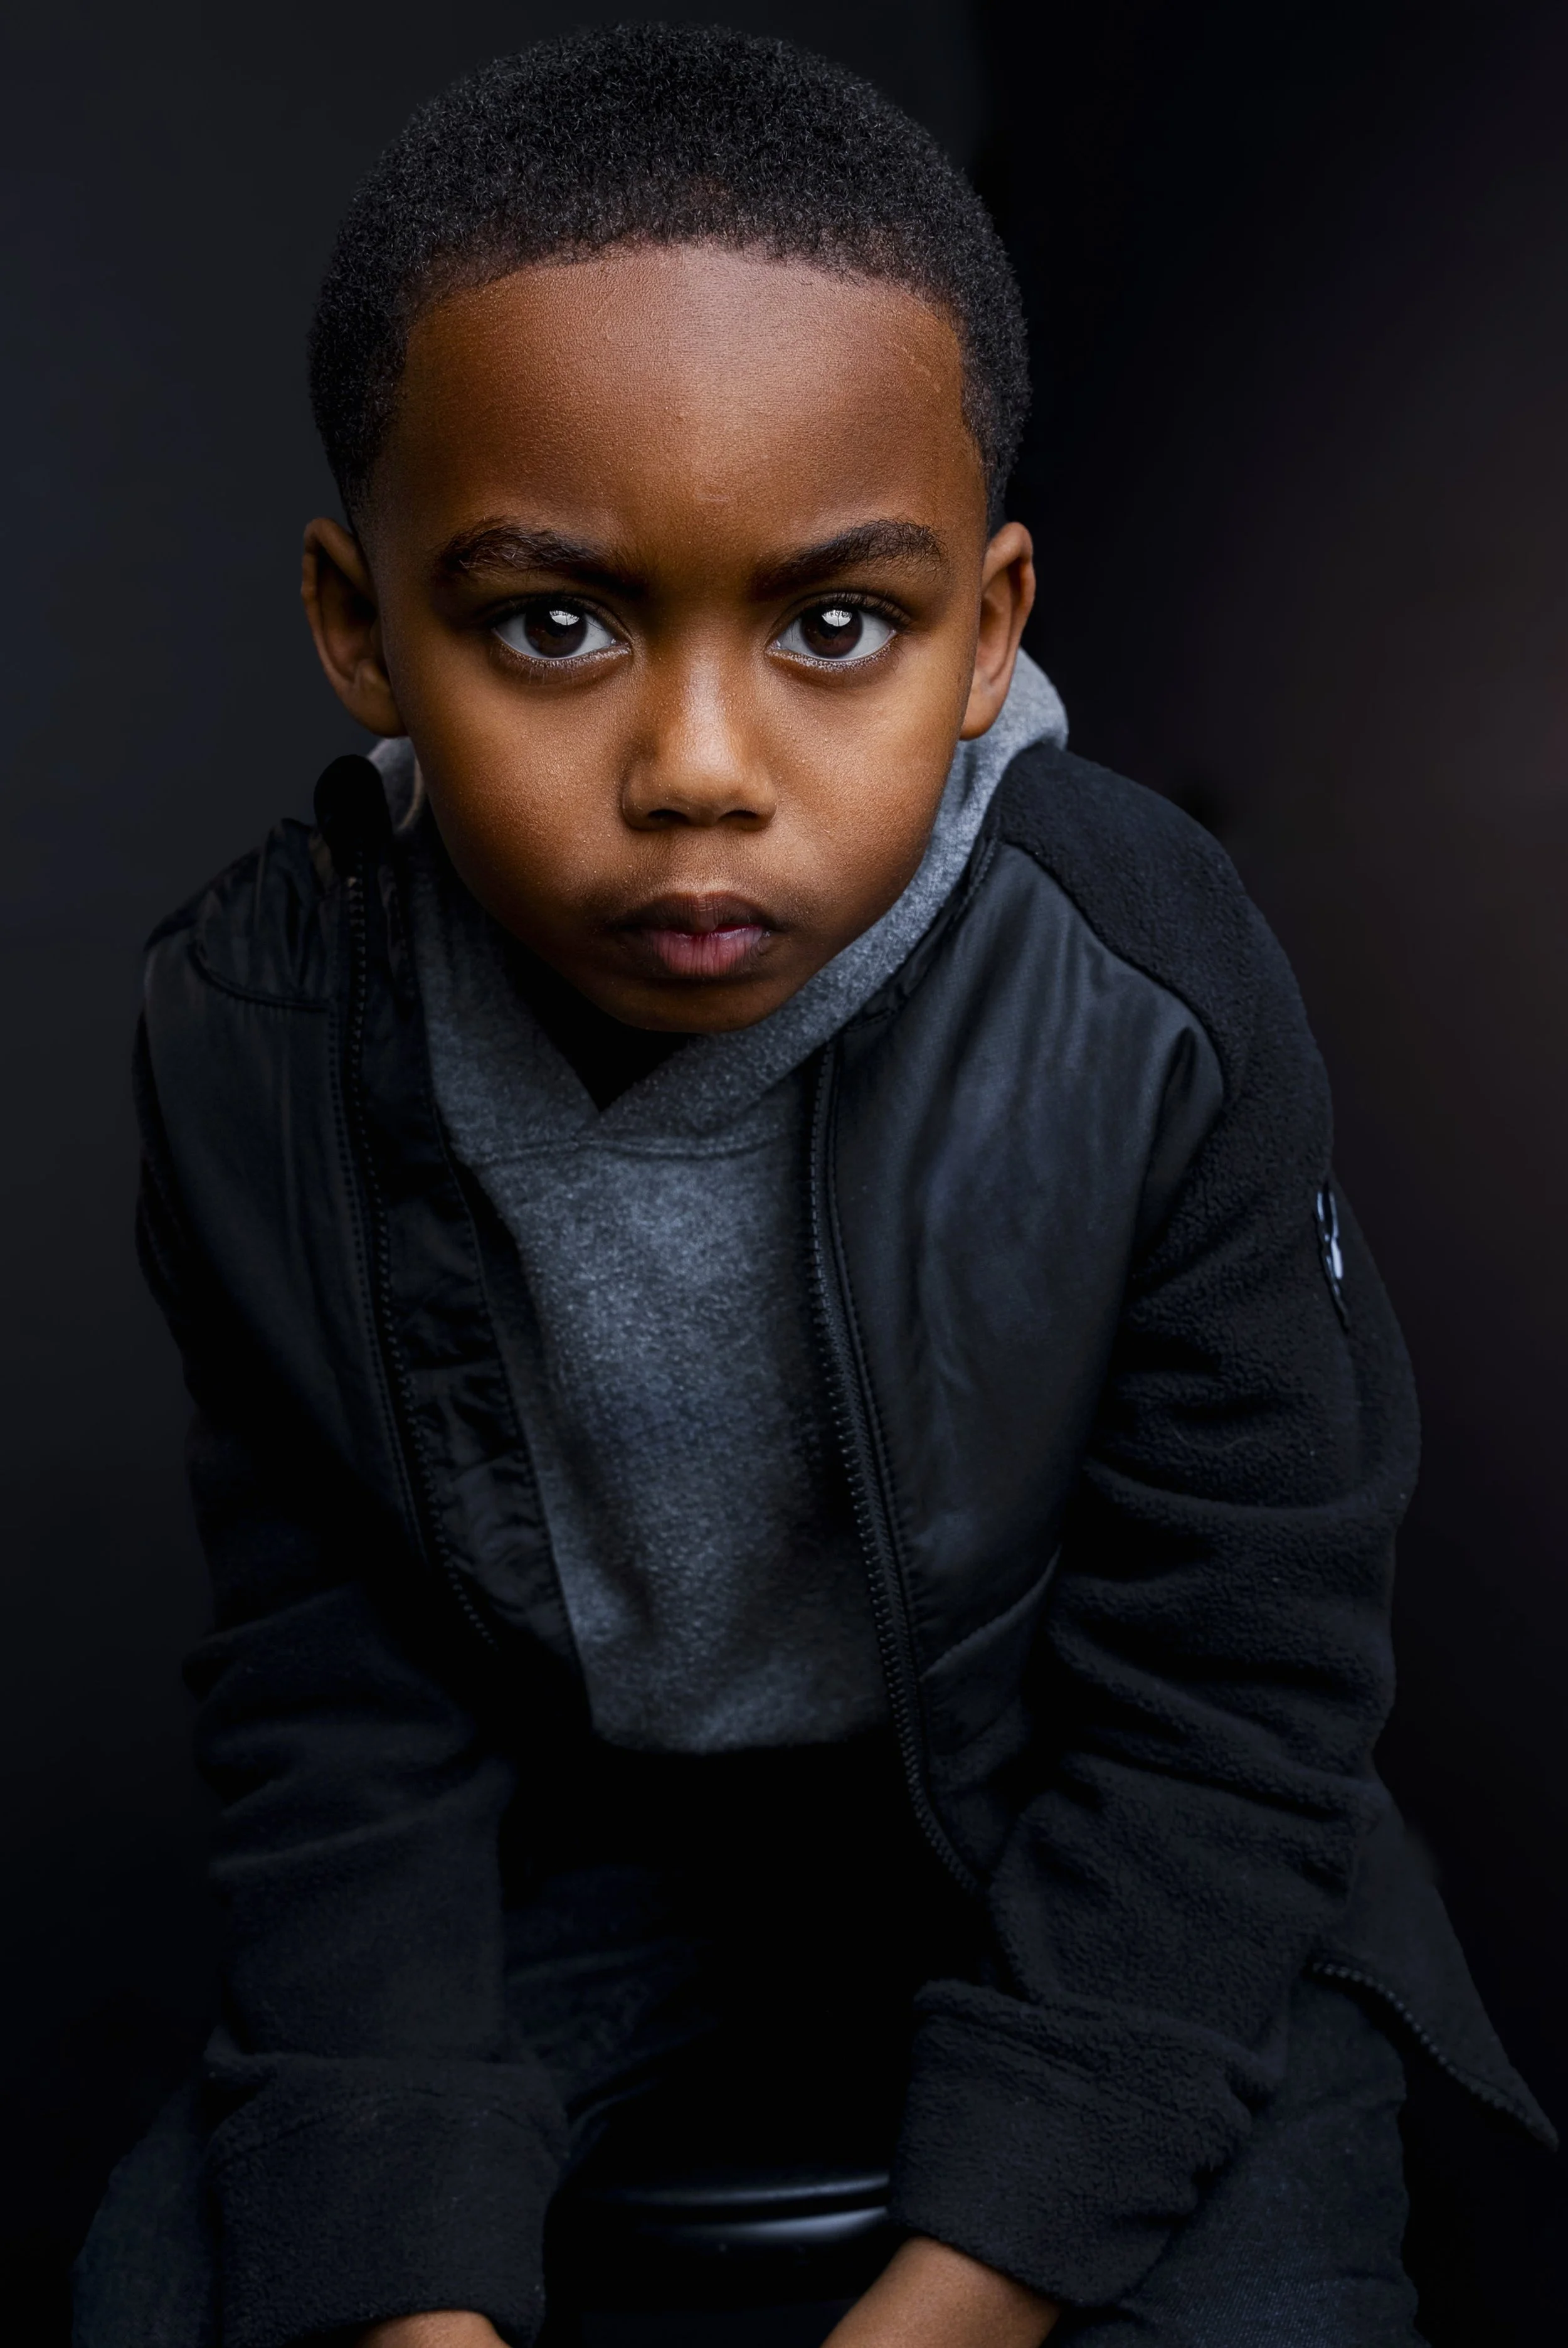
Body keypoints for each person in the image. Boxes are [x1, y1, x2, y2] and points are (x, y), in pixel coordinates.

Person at [75, 26, 1552, 2348]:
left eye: (835, 625)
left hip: (1109, 1851)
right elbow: (335, 1691)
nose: (692, 770)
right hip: (611, 1861)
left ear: (988, 629)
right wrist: (402, 2289)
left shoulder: (1145, 988)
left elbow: (1228, 1699)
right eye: (549, 622)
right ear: (362, 626)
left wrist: (959, 2295)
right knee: (175, 2283)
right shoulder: (248, 1038)